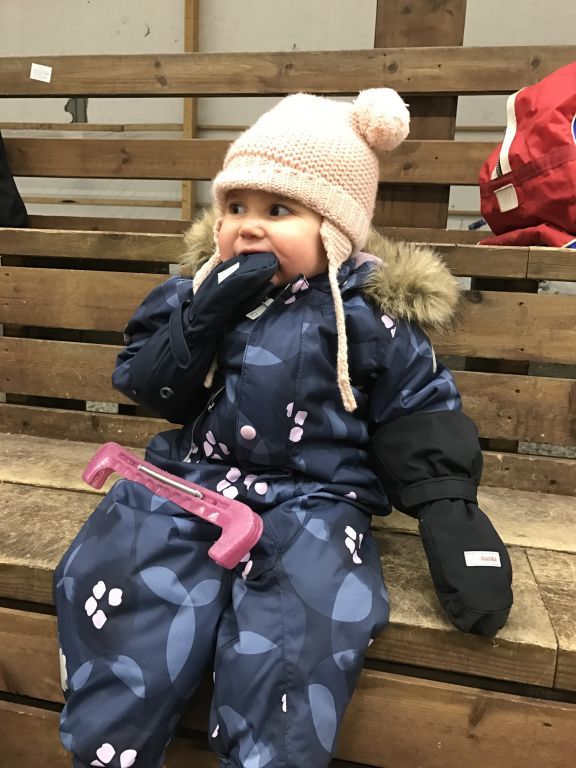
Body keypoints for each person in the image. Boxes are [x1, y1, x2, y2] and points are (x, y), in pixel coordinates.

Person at [54, 88, 513, 768]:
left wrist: (451, 514)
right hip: (193, 482)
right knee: (120, 574)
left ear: (335, 227)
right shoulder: (197, 293)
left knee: (306, 618)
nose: (248, 227)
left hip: (315, 499)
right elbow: (148, 385)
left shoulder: (369, 317)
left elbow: (418, 408)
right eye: (235, 207)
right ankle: (106, 751)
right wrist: (202, 317)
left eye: (278, 210)